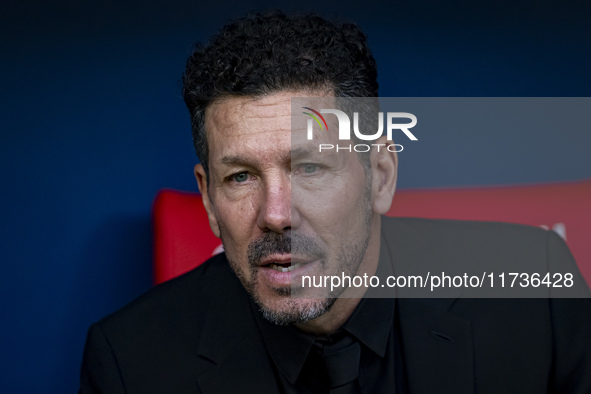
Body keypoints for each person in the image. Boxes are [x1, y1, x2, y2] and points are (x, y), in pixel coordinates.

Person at [79, 11, 591, 393]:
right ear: (208, 200)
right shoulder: (130, 363)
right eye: (240, 177)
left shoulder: (533, 293)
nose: (275, 214)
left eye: (310, 168)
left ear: (381, 176)